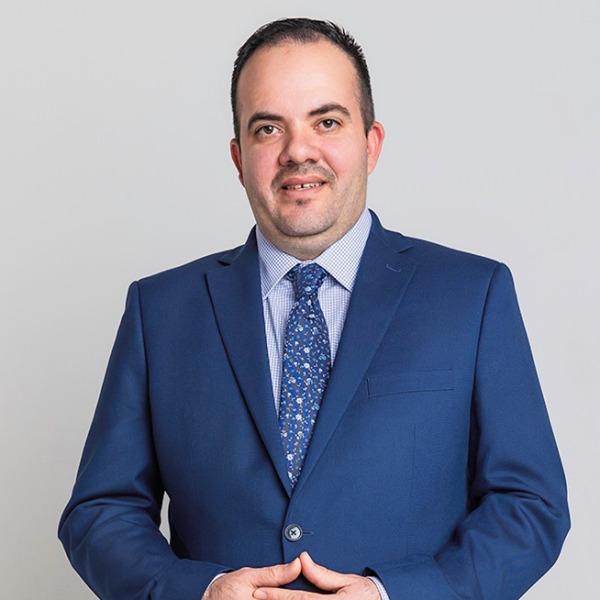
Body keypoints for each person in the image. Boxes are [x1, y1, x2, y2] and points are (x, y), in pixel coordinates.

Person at [59, 17, 569, 600]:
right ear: (239, 157)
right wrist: (200, 591)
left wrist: (392, 595)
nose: (298, 151)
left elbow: (531, 505)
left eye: (327, 121)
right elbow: (100, 511)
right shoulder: (161, 311)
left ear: (371, 143)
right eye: (268, 128)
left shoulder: (472, 296)